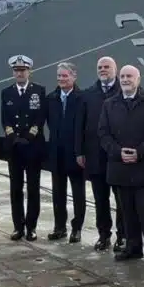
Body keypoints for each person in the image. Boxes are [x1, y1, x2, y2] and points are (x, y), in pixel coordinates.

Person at [98, 64, 144, 264]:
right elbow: (103, 133)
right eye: (123, 76)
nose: (125, 80)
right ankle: (133, 248)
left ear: (138, 79)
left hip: (143, 168)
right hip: (120, 167)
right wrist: (118, 152)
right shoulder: (109, 104)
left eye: (129, 76)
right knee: (126, 212)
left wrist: (140, 152)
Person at [78, 56, 125, 251]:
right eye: (100, 67)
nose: (103, 70)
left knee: (122, 200)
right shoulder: (88, 94)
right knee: (100, 199)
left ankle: (122, 236)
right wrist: (79, 152)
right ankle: (104, 235)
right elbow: (79, 125)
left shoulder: (124, 91)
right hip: (95, 155)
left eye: (107, 67)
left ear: (115, 69)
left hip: (117, 156)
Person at [0, 54, 47, 241]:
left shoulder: (39, 91)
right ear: (13, 73)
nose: (20, 73)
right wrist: (13, 137)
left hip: (33, 145)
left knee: (33, 188)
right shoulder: (6, 92)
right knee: (16, 188)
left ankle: (31, 227)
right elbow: (5, 119)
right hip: (15, 147)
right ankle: (18, 226)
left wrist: (30, 135)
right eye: (17, 70)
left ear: (29, 71)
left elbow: (41, 117)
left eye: (23, 70)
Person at [45, 62, 86, 242]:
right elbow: (50, 123)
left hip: (75, 153)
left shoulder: (82, 99)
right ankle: (59, 227)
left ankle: (77, 228)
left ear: (74, 77)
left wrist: (81, 151)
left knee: (78, 193)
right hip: (56, 153)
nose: (61, 79)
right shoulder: (51, 99)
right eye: (59, 76)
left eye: (65, 75)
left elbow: (84, 127)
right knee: (58, 192)